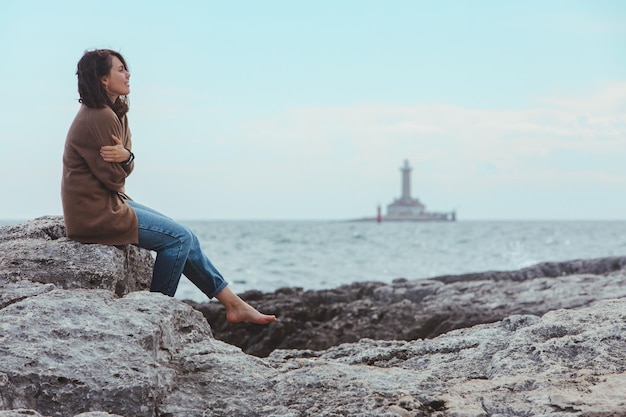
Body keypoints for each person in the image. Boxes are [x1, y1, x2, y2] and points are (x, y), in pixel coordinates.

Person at [61, 49, 276, 324]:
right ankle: (154, 314)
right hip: (95, 213)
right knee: (178, 239)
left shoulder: (114, 112)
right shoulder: (98, 116)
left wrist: (126, 156)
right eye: (120, 70)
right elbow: (115, 178)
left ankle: (233, 304)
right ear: (103, 79)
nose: (128, 75)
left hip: (109, 202)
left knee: (187, 236)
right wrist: (126, 158)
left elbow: (125, 161)